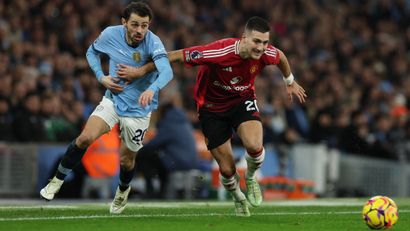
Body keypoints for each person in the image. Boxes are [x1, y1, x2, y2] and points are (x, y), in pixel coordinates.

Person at [118, 16, 307, 216]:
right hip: (211, 110)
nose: (261, 48)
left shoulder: (266, 53)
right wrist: (140, 72)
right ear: (244, 39)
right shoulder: (219, 52)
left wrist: (289, 81)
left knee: (254, 146)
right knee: (226, 170)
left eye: (265, 42)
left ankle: (251, 177)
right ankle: (238, 198)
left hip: (241, 100)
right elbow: (174, 56)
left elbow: (281, 58)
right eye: (256, 41)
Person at [40, 1, 173, 214]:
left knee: (126, 160)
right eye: (135, 25)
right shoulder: (111, 34)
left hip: (139, 110)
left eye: (145, 25)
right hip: (112, 100)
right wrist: (101, 77)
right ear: (124, 23)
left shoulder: (153, 42)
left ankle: (122, 191)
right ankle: (56, 180)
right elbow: (91, 53)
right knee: (84, 138)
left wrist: (152, 88)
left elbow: (167, 71)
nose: (140, 30)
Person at [136, 102, 199, 199]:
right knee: (159, 160)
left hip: (177, 162)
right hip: (190, 161)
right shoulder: (183, 121)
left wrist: (139, 147)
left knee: (142, 155)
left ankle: (151, 190)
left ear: (163, 112)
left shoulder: (169, 123)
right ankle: (161, 191)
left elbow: (154, 144)